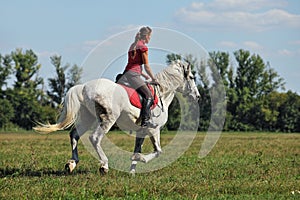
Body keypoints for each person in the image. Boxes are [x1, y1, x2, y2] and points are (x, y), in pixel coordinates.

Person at [123, 26, 158, 128]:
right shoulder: (143, 48)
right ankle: (145, 121)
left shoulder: (132, 45)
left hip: (127, 74)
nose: (150, 39)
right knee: (149, 96)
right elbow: (146, 66)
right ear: (146, 36)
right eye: (150, 36)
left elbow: (133, 64)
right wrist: (153, 78)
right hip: (133, 75)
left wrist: (144, 76)